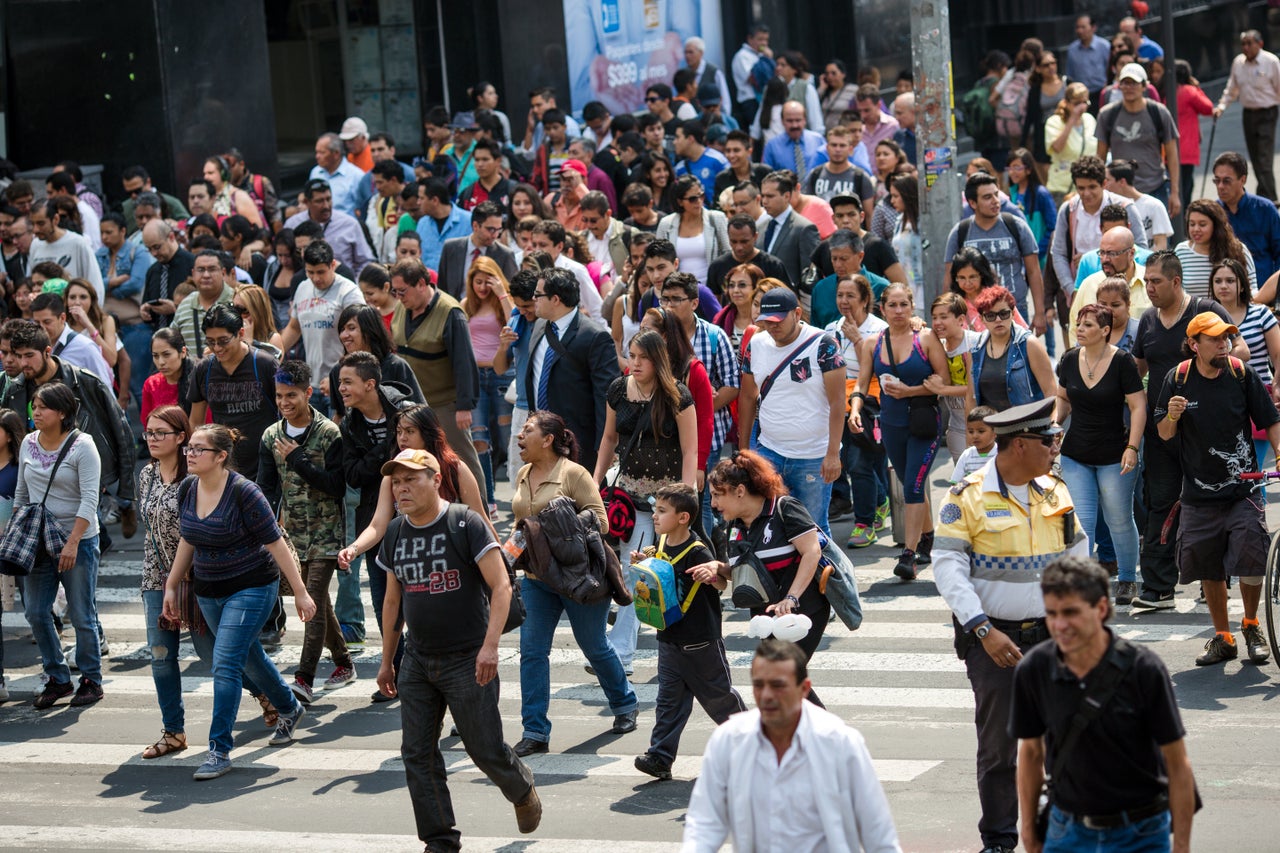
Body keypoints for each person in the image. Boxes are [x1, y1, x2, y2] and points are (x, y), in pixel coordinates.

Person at [932, 397, 1087, 853]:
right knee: (1000, 748)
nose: (1056, 447)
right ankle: (999, 841)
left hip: (1052, 637)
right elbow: (947, 567)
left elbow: (1077, 559)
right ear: (1020, 445)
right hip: (993, 639)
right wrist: (983, 629)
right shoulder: (967, 496)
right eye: (1048, 440)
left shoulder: (1055, 490)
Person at [373, 447, 542, 847]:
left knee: (484, 749)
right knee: (416, 754)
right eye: (396, 482)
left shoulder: (464, 523)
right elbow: (393, 601)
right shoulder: (396, 532)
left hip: (468, 658)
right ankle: (440, 841)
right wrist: (386, 662)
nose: (401, 489)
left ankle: (520, 789)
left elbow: (500, 586)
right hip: (417, 658)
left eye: (410, 479)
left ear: (434, 480)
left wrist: (490, 648)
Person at [1011, 555, 1197, 853]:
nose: (1059, 625)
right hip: (1065, 833)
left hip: (1141, 834)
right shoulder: (1034, 669)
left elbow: (1177, 764)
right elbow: (1031, 754)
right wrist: (1030, 834)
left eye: (1071, 612)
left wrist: (1182, 847)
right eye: (1052, 613)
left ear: (1100, 608)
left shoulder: (1144, 669)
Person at [164, 423, 314, 780]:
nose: (190, 454)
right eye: (190, 448)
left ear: (220, 457)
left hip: (251, 587)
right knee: (248, 655)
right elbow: (189, 538)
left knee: (226, 664)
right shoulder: (188, 487)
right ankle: (289, 708)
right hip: (209, 589)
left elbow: (276, 544)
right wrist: (171, 585)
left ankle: (219, 749)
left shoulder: (245, 493)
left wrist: (302, 593)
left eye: (199, 449)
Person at [682, 637, 902, 852]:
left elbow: (878, 833)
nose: (767, 695)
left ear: (804, 689)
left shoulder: (839, 743)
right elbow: (705, 825)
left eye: (778, 686)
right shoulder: (729, 741)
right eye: (759, 685)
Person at [509, 411, 638, 755]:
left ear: (548, 439)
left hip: (579, 580)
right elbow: (522, 527)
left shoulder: (574, 474)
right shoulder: (523, 473)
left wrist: (562, 522)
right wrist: (506, 557)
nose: (519, 437)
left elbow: (603, 522)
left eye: (527, 430)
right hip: (537, 580)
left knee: (594, 645)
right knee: (532, 652)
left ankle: (625, 704)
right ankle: (535, 731)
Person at [1155, 311, 1280, 665]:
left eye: (1226, 338)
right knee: (1208, 565)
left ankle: (1252, 625)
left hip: (1243, 490)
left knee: (1253, 558)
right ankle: (1223, 637)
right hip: (1197, 494)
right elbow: (1163, 433)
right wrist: (1173, 415)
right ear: (1194, 345)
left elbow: (1271, 419)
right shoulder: (1176, 379)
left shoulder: (1241, 374)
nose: (1223, 344)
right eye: (1214, 339)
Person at [1131, 250, 1249, 613]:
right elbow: (1136, 370)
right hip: (1164, 430)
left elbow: (1240, 349)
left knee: (1212, 505)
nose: (1148, 287)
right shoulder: (1148, 320)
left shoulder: (1205, 311)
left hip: (1207, 434)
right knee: (1159, 504)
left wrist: (1207, 371)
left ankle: (1212, 580)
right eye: (1146, 281)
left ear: (1176, 281)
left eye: (1156, 281)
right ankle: (1158, 587)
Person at [592, 328, 698, 674]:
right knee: (632, 569)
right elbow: (609, 438)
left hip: (668, 499)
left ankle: (691, 643)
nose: (634, 363)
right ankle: (621, 652)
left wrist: (685, 497)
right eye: (631, 356)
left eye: (642, 358)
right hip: (629, 495)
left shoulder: (677, 395)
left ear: (658, 360)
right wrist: (594, 483)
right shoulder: (618, 390)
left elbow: (690, 449)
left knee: (672, 570)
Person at [631, 480, 742, 778]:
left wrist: (713, 574)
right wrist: (646, 562)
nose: (654, 516)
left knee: (720, 700)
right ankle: (660, 756)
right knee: (669, 701)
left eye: (662, 511)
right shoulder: (664, 541)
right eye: (656, 509)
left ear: (683, 518)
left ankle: (754, 748)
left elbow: (721, 583)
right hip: (669, 638)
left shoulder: (698, 550)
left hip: (700, 641)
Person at [257, 360, 352, 703]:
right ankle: (343, 662)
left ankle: (304, 679)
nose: (284, 402)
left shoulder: (329, 434)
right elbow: (266, 488)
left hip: (327, 533)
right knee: (319, 602)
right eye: (280, 396)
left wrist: (298, 460)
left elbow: (337, 486)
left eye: (291, 395)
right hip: (292, 537)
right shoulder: (271, 436)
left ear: (308, 393)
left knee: (309, 604)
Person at [849, 283, 949, 576]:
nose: (898, 311)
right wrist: (854, 410)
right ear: (882, 309)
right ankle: (928, 538)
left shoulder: (926, 338)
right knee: (910, 484)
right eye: (892, 305)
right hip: (890, 425)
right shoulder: (872, 343)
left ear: (912, 306)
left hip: (924, 423)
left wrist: (911, 391)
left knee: (915, 487)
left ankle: (909, 554)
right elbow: (863, 382)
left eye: (904, 305)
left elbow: (943, 382)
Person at [138, 405, 218, 758]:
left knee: (213, 656)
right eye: (149, 433)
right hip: (156, 576)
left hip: (195, 578)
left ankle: (268, 696)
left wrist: (181, 576)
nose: (153, 439)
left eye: (161, 433)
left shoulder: (194, 479)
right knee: (160, 656)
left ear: (182, 437)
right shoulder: (147, 475)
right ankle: (173, 731)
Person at [1053, 303, 1146, 604]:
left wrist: (1132, 447)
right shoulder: (1068, 359)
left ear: (1105, 331)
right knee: (1083, 521)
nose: (1079, 329)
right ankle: (1084, 584)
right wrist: (1055, 424)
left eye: (1088, 325)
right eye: (1078, 324)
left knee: (1119, 519)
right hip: (1075, 453)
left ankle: (1128, 579)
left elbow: (1138, 406)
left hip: (1114, 454)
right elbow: (1063, 399)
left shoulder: (1122, 362)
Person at [21, 383, 104, 709]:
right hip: (39, 542)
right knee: (36, 612)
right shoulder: (28, 442)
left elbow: (90, 500)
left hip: (78, 541)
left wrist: (72, 544)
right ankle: (57, 676)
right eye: (34, 407)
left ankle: (91, 680)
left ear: (63, 412)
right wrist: (19, 534)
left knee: (82, 614)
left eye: (43, 407)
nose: (36, 412)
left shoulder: (83, 446)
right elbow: (23, 495)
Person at [738, 287, 844, 535]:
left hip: (814, 456)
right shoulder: (756, 343)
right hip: (769, 450)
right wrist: (745, 450)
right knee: (768, 526)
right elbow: (747, 396)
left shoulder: (824, 344)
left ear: (797, 314)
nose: (772, 327)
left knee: (813, 527)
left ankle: (827, 574)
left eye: (778, 321)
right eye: (766, 321)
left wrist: (832, 454)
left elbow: (838, 401)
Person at [388, 257, 485, 489]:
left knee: (461, 459)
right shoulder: (403, 307)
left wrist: (464, 406)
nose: (399, 297)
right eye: (395, 292)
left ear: (422, 283)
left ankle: (480, 512)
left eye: (403, 291)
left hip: (445, 404)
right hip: (411, 404)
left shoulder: (450, 312)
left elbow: (464, 362)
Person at [526, 266, 619, 473]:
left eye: (538, 294)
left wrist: (603, 448)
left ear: (556, 299)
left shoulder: (594, 337)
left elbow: (606, 397)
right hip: (539, 438)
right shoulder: (540, 327)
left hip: (576, 442)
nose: (533, 298)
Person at [828, 274, 890, 546]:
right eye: (840, 295)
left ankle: (864, 523)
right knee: (849, 462)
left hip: (869, 403)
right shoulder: (831, 328)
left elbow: (883, 366)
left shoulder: (880, 329)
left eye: (850, 296)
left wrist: (857, 342)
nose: (844, 301)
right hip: (837, 404)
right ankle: (880, 500)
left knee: (859, 462)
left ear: (865, 300)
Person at [945, 172, 1046, 334]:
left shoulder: (1016, 226)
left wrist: (1040, 313)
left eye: (996, 194)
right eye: (987, 197)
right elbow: (949, 277)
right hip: (974, 314)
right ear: (972, 203)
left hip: (1014, 309)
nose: (995, 201)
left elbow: (1034, 272)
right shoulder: (960, 232)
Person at [1211, 257, 1280, 469]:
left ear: (1241, 284)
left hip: (1257, 397)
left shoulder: (1260, 314)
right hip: (1217, 399)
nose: (1223, 286)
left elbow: (1278, 356)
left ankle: (1256, 504)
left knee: (1255, 469)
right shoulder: (1207, 318)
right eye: (1218, 281)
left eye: (1230, 280)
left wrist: (1277, 385)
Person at [1095, 63, 1181, 218]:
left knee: (1159, 239)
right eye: (1125, 83)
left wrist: (1174, 192)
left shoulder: (1158, 112)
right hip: (1119, 191)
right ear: (1119, 86)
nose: (1129, 87)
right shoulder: (1107, 114)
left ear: (1144, 86)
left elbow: (1172, 154)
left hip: (1155, 187)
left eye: (1134, 83)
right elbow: (1100, 158)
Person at [1215, 30, 1280, 202]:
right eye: (1243, 44)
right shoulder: (1238, 63)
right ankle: (1264, 196)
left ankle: (1271, 200)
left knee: (1264, 159)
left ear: (1260, 44)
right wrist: (1221, 107)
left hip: (1267, 113)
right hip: (1249, 114)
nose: (1246, 47)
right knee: (1255, 158)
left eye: (1250, 43)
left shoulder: (1271, 61)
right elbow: (1232, 89)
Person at [1069, 225, 1149, 344]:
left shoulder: (1150, 282)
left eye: (1112, 253)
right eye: (1102, 253)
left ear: (1131, 253)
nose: (1105, 259)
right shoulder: (1089, 285)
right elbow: (1074, 330)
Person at [1212, 151, 1280, 289]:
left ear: (1242, 180)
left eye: (1226, 181)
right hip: (1224, 291)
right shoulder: (1213, 212)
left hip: (1264, 290)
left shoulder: (1265, 209)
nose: (1220, 186)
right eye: (1216, 180)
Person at [927, 292, 981, 464]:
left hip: (982, 424)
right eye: (934, 317)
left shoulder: (975, 342)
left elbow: (977, 388)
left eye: (944, 317)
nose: (937, 323)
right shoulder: (937, 344)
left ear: (960, 319)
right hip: (956, 426)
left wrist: (943, 390)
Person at [656, 175, 730, 290]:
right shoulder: (666, 224)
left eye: (701, 196)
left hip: (713, 290)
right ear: (680, 202)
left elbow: (727, 253)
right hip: (678, 293)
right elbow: (659, 260)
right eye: (692, 199)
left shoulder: (717, 218)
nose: (699, 201)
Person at [1175, 198, 1257, 298]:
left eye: (1202, 224)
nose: (1196, 229)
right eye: (1192, 224)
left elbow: (1252, 290)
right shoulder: (1181, 251)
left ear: (1216, 226)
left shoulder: (1238, 249)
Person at [28, 200, 104, 301]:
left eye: (41, 224)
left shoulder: (77, 242)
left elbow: (94, 282)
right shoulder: (35, 245)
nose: (35, 230)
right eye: (32, 224)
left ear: (55, 219)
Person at [756, 170, 819, 292]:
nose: (764, 201)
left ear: (786, 196)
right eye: (763, 196)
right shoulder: (760, 226)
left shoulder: (804, 228)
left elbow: (809, 276)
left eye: (770, 196)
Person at [30, 291, 113, 382]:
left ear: (62, 318)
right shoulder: (32, 346)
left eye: (47, 322)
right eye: (37, 322)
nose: (42, 328)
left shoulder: (85, 347)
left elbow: (104, 387)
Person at [1106, 158, 1173, 250]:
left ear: (1122, 182)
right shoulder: (1108, 206)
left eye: (1108, 180)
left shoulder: (1154, 205)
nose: (1104, 184)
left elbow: (1161, 245)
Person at [141, 328, 195, 426]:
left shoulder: (197, 381)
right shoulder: (151, 384)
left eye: (166, 354)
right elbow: (147, 424)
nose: (161, 362)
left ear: (183, 352)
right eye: (155, 356)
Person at [1065, 14, 1110, 105]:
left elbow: (1109, 68)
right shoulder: (1072, 49)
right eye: (1077, 27)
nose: (1080, 31)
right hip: (1080, 95)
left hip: (1101, 92)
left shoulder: (1104, 46)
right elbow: (1070, 75)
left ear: (1093, 28)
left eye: (1083, 27)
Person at [951, 406, 998, 483]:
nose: (975, 436)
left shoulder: (1001, 454)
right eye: (971, 431)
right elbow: (955, 483)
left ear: (995, 432)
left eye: (981, 431)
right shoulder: (966, 455)